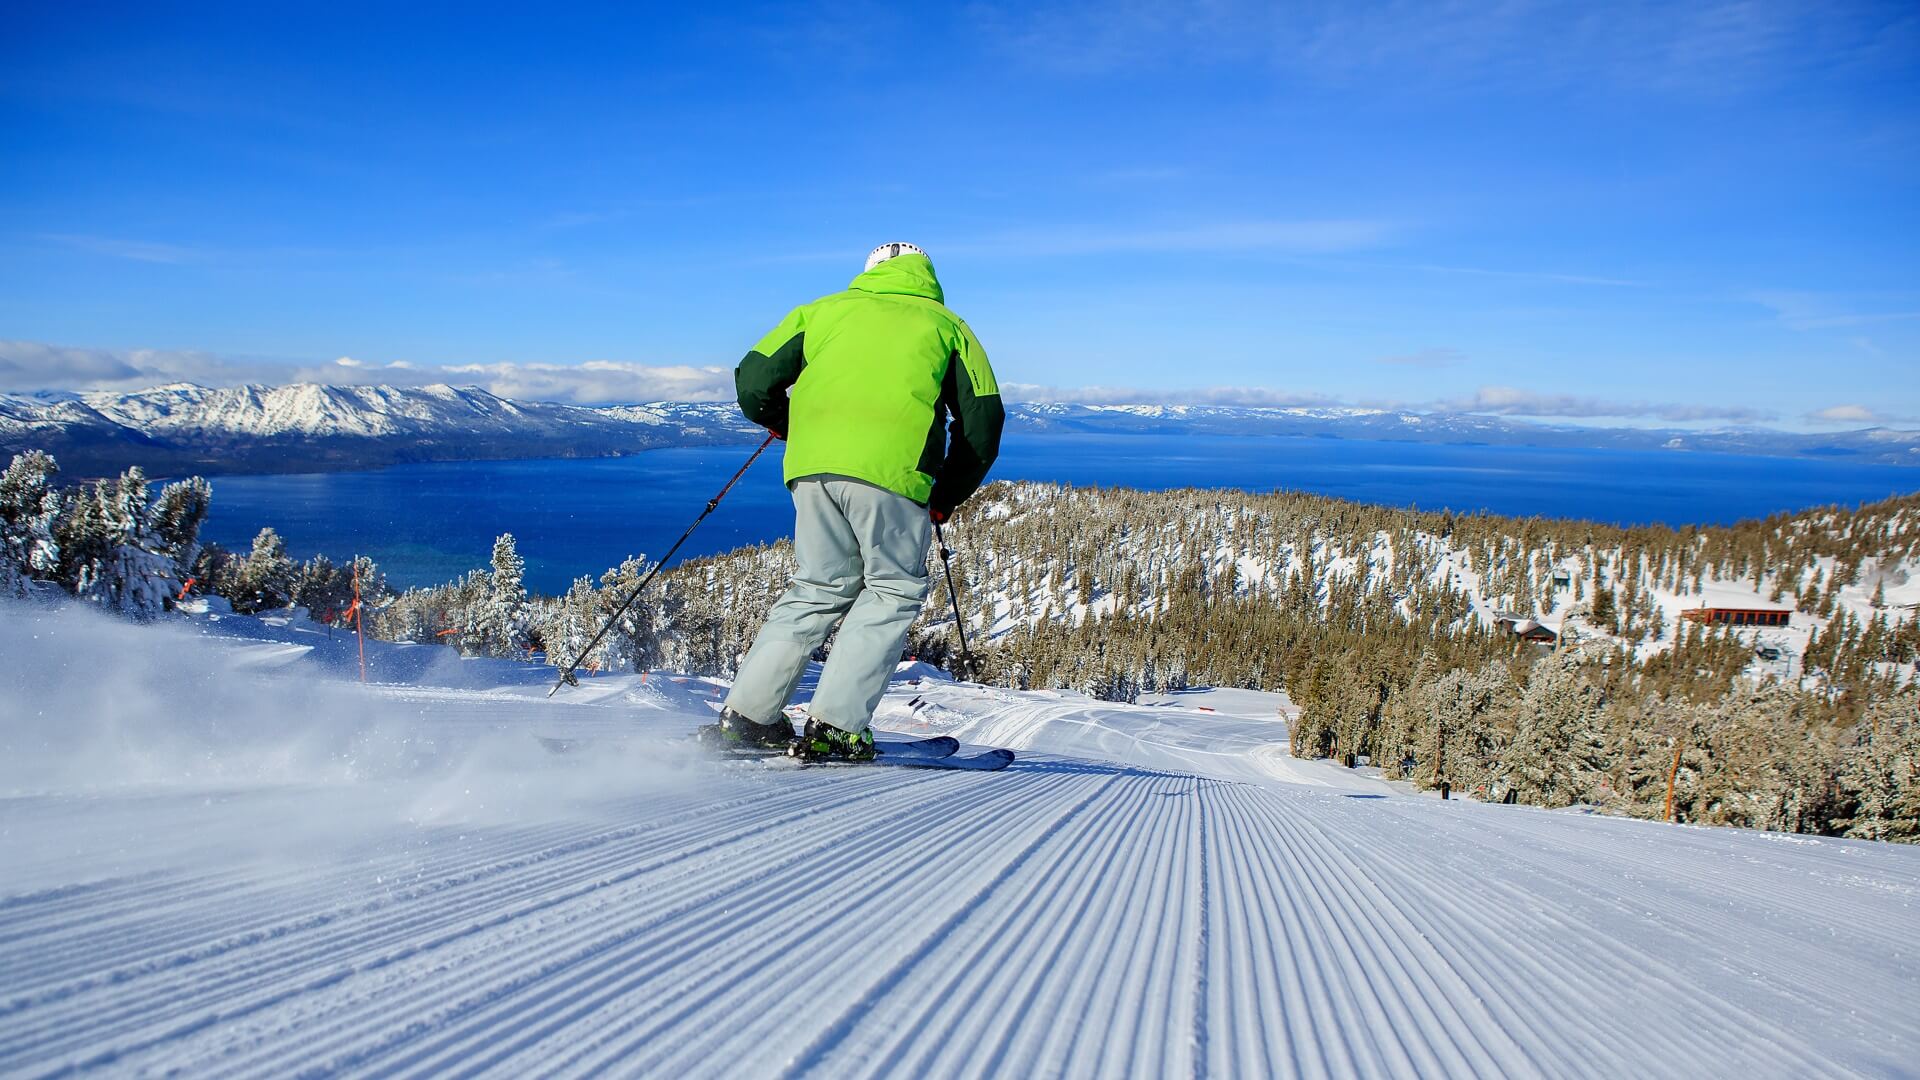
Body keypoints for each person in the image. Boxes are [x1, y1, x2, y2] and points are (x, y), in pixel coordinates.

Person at [697, 241, 1003, 760]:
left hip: (812, 473)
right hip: (895, 475)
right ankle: (836, 726)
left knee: (817, 587)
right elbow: (983, 424)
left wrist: (793, 426)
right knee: (892, 589)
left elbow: (751, 381)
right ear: (925, 273)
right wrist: (945, 494)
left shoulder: (820, 312)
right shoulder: (947, 326)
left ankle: (745, 718)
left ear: (867, 273)